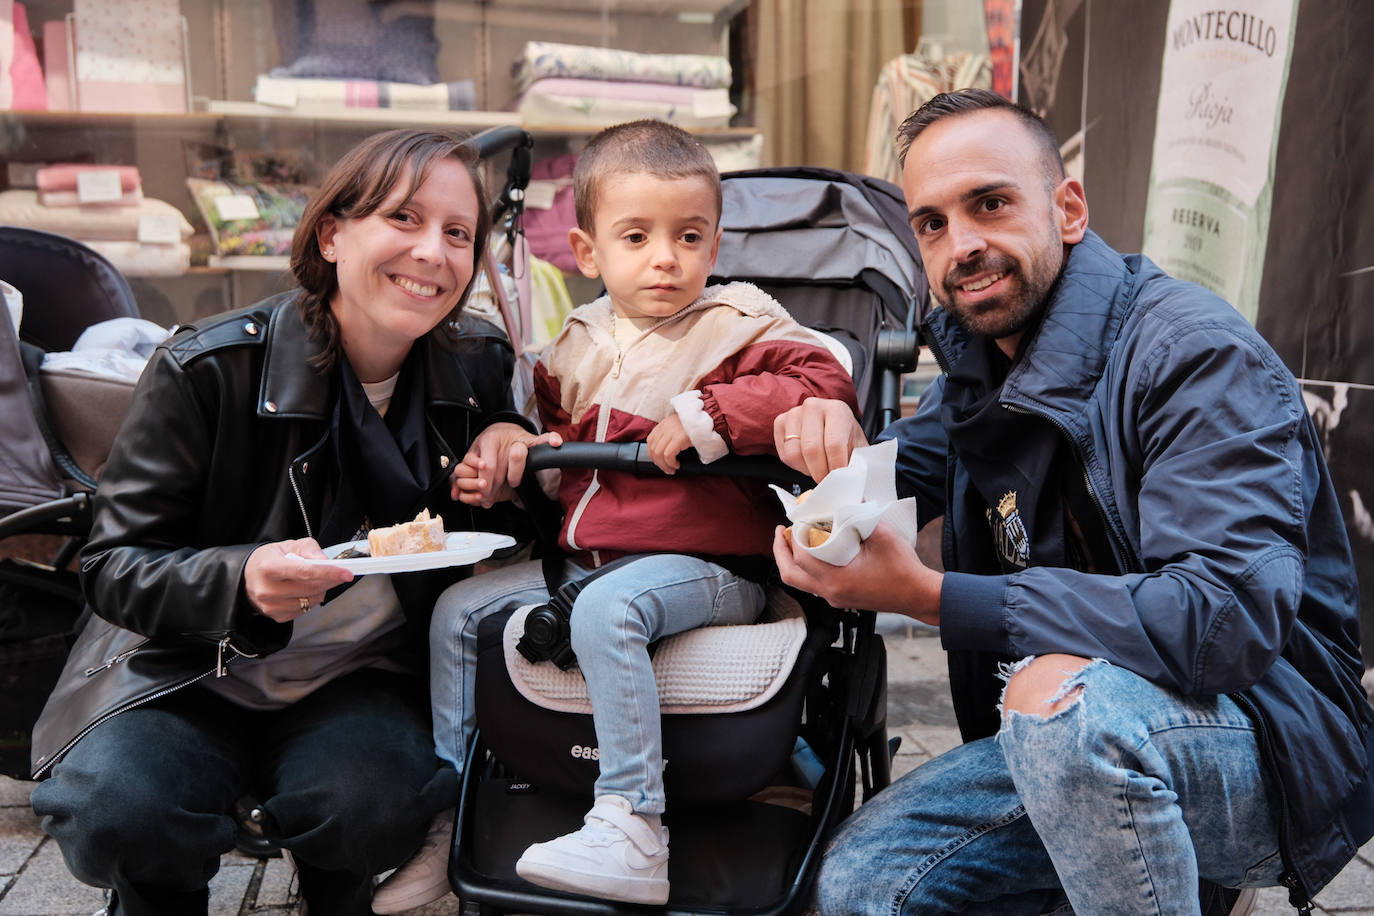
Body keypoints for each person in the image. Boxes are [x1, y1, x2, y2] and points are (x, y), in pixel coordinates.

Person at [771, 88, 1374, 914]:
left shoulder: (1193, 358)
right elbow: (897, 469)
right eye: (933, 222)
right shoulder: (986, 364)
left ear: (1068, 209)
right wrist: (825, 427)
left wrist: (932, 598)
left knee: (1061, 705)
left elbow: (1225, 621)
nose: (963, 245)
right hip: (1075, 738)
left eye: (990, 203)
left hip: (1269, 742)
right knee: (864, 881)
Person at [27, 129, 556, 916]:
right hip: (185, 670)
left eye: (458, 234)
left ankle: (334, 887)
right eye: (403, 220)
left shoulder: (473, 363)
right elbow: (113, 564)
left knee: (372, 802)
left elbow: (522, 518)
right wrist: (241, 579)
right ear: (333, 232)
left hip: (359, 676)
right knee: (122, 808)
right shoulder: (208, 369)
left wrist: (513, 449)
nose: (433, 253)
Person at [373, 118, 859, 910]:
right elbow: (553, 442)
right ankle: (450, 820)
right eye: (637, 237)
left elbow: (824, 383)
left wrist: (715, 412)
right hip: (588, 558)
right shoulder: (577, 344)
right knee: (459, 614)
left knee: (608, 609)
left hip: (710, 569)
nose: (666, 257)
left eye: (689, 236)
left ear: (715, 244)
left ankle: (633, 822)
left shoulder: (740, 325)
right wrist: (510, 450)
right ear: (590, 253)